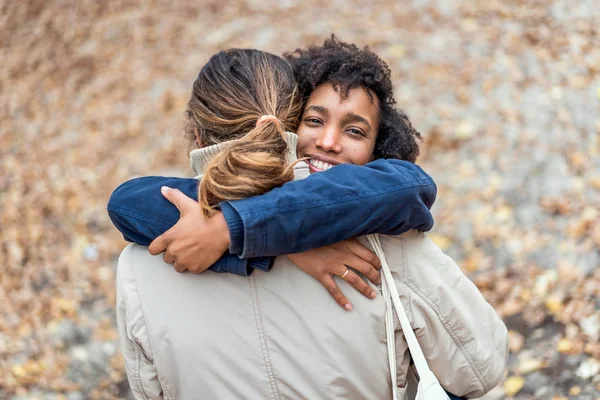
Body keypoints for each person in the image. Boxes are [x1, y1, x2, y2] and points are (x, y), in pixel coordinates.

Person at [112, 40, 507, 399]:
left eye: (353, 130)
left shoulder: (142, 261)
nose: (329, 142)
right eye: (315, 121)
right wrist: (269, 239)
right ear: (287, 123)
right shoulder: (382, 240)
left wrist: (235, 229)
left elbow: (151, 391)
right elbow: (481, 367)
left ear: (196, 135)